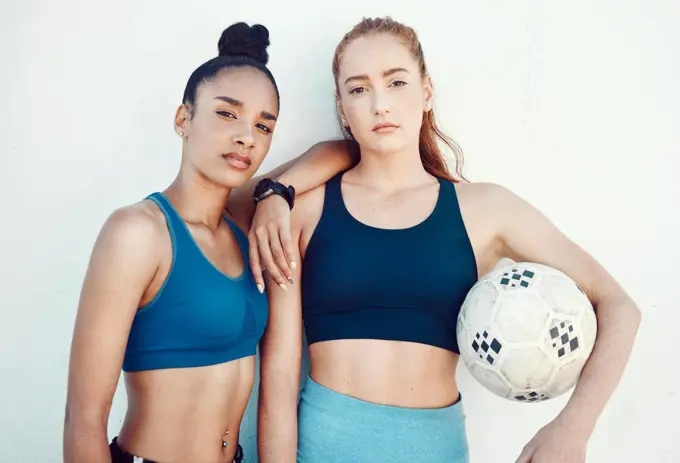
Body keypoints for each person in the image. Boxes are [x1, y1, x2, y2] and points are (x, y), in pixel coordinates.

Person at [255, 16, 641, 463]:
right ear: (342, 108)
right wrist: (277, 192)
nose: (380, 104)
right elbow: (280, 374)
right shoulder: (305, 209)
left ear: (427, 92)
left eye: (396, 82)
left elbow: (618, 305)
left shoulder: (487, 210)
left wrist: (572, 429)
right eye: (358, 89)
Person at [63, 22, 353, 463]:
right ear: (184, 119)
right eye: (226, 113)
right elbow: (83, 420)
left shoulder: (241, 219)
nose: (246, 136)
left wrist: (277, 193)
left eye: (263, 126)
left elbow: (341, 151)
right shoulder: (138, 233)